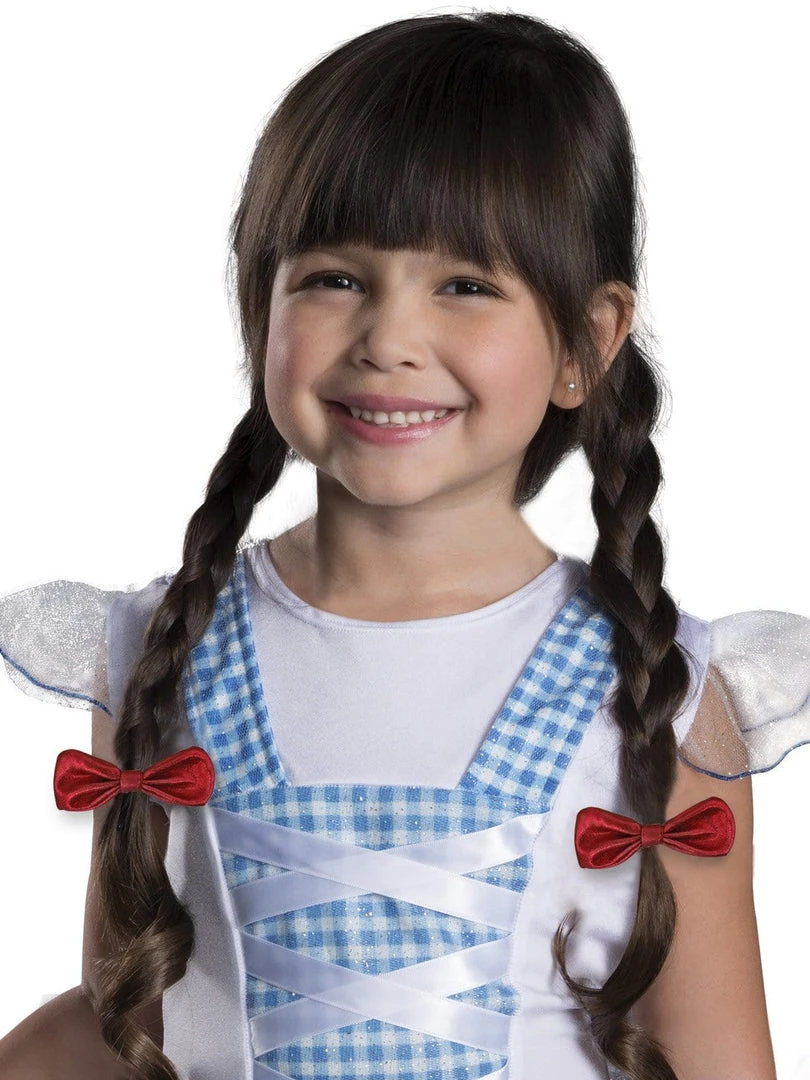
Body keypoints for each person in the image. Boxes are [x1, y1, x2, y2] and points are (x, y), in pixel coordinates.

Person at [0, 9, 807, 1080]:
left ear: (588, 341)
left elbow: (719, 1062)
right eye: (336, 278)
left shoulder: (657, 689)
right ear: (259, 305)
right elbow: (127, 1026)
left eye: (466, 286)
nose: (389, 339)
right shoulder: (156, 656)